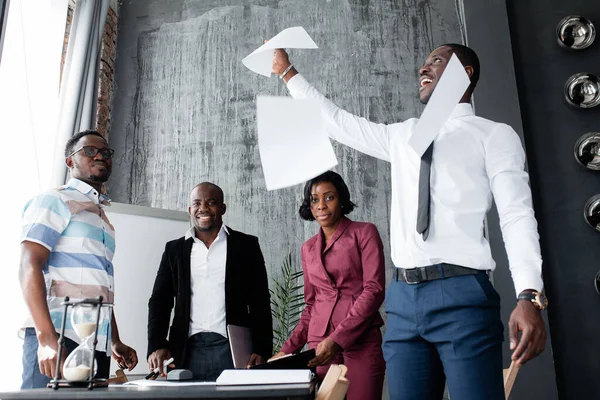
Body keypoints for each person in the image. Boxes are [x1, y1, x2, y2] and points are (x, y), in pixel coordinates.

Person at [271, 44, 548, 399]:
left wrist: (529, 294)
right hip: (402, 302)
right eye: (425, 61)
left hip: (461, 294)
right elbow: (336, 121)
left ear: (465, 74)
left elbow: (516, 215)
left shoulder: (493, 135)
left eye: (437, 61)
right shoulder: (404, 135)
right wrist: (287, 72)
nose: (423, 67)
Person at [19, 130, 138, 389]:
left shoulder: (101, 219)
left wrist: (114, 340)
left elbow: (98, 286)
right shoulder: (53, 200)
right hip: (59, 336)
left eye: (106, 152)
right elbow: (29, 265)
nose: (100, 156)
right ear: (70, 161)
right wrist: (46, 337)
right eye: (89, 151)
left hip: (95, 342)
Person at [271, 171, 386, 400]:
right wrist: (288, 350)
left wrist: (338, 339)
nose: (321, 205)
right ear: (309, 206)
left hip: (360, 340)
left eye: (329, 197)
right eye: (315, 199)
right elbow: (312, 305)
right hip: (319, 346)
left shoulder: (364, 233)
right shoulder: (308, 248)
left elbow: (374, 290)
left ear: (341, 199)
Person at [147, 182, 273, 381]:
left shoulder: (246, 245)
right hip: (186, 351)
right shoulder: (174, 250)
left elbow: (260, 301)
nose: (203, 208)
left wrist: (262, 349)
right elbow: (160, 302)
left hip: (232, 350)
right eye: (197, 203)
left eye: (211, 202)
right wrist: (156, 345)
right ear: (190, 210)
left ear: (222, 208)